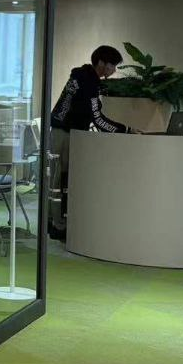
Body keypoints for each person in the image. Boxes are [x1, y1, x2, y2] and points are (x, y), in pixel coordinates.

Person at [47, 44, 138, 240]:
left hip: (58, 131)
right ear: (102, 63)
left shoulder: (79, 76)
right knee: (59, 182)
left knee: (55, 180)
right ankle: (58, 226)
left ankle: (52, 222)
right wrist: (126, 130)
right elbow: (98, 119)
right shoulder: (89, 82)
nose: (114, 70)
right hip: (66, 134)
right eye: (113, 65)